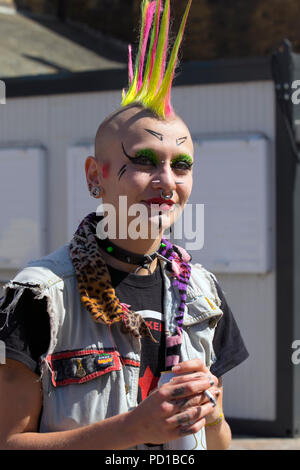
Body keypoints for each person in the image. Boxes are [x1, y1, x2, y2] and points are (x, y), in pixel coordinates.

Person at [0, 0, 248, 450]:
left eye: (182, 165)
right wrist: (133, 429)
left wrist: (211, 416)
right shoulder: (40, 297)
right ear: (96, 176)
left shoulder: (203, 296)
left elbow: (219, 443)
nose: (167, 182)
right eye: (146, 161)